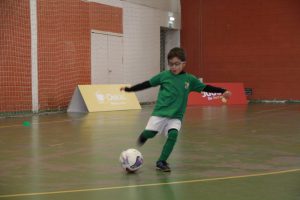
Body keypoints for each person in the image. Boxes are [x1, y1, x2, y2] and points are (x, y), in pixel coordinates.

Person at [120, 47, 231, 172]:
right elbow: (147, 84)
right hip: (160, 113)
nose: (174, 67)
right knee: (150, 133)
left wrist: (223, 91)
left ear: (184, 63)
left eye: (177, 64)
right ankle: (145, 135)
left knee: (173, 135)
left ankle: (161, 161)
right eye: (171, 64)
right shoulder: (163, 76)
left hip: (176, 116)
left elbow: (206, 88)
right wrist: (130, 89)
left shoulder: (190, 80)